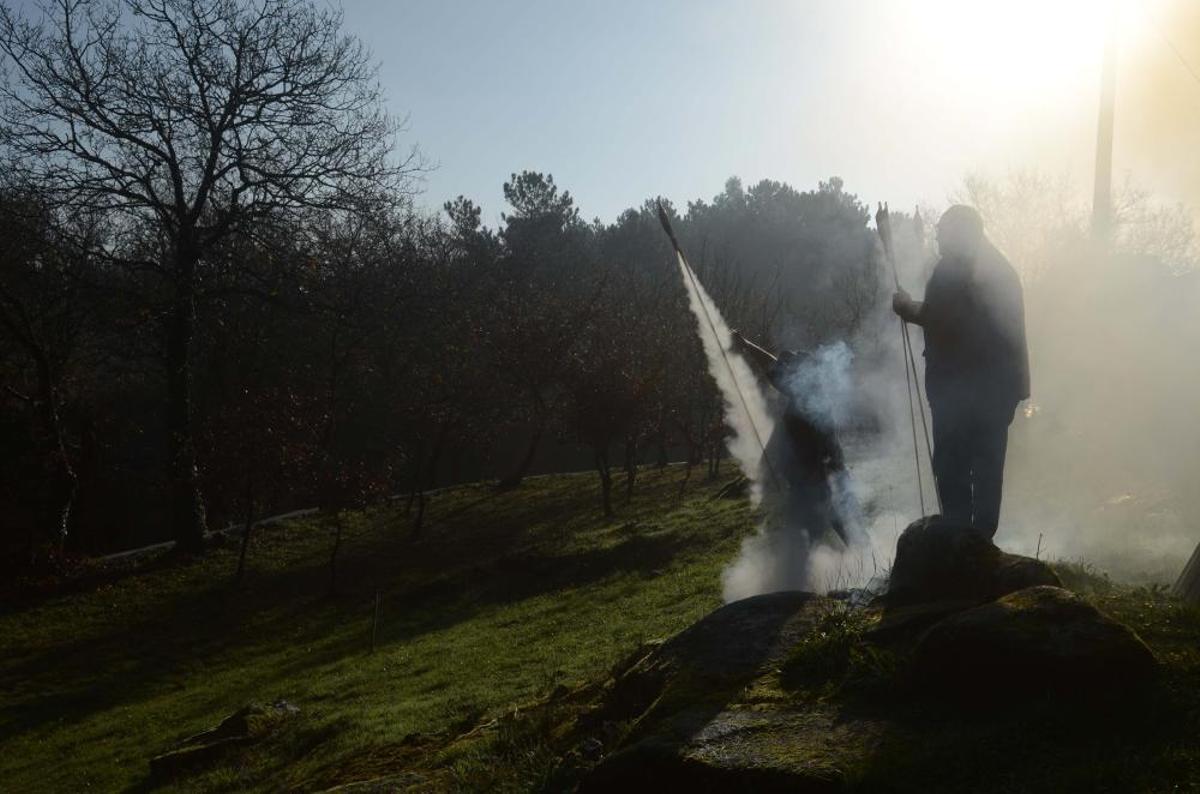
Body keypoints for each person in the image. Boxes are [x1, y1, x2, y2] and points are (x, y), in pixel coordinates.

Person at [892, 205, 1029, 535]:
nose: (937, 236)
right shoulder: (999, 267)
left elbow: (945, 318)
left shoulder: (958, 267)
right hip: (997, 390)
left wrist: (906, 307)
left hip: (964, 390)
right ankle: (980, 539)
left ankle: (959, 538)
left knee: (953, 463)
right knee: (987, 467)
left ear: (960, 231)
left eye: (942, 230)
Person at [731, 332, 849, 545]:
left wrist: (747, 345)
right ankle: (849, 552)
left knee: (822, 512)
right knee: (819, 512)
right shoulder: (809, 389)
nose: (789, 359)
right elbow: (775, 366)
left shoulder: (805, 392)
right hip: (811, 465)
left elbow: (774, 370)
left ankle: (855, 554)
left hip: (816, 465)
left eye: (793, 360)